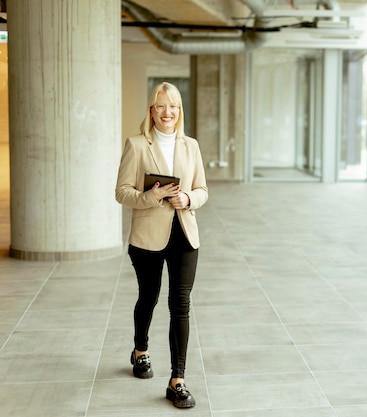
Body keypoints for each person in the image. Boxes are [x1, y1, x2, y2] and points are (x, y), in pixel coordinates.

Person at [115, 81, 208, 409]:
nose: (167, 112)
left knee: (180, 304)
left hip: (184, 234)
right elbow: (122, 192)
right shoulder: (137, 145)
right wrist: (151, 196)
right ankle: (140, 350)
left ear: (179, 111)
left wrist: (188, 198)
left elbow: (202, 190)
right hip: (147, 238)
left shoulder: (191, 146)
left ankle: (177, 379)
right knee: (149, 297)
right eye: (160, 106)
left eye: (173, 106)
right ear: (151, 110)